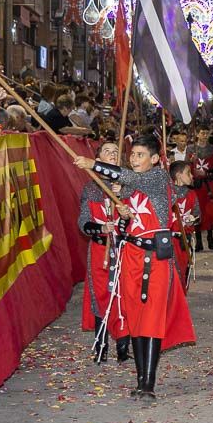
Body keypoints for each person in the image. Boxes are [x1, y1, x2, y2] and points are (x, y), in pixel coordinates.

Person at [75, 135, 197, 400]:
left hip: (155, 259)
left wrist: (92, 164)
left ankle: (148, 384)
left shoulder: (158, 178)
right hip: (131, 256)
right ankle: (140, 378)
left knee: (151, 318)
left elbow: (128, 177)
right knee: (136, 319)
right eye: (132, 154)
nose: (133, 159)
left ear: (154, 159)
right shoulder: (128, 190)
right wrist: (122, 217)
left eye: (140, 155)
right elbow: (125, 225)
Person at [78, 142, 129, 364]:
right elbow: (83, 223)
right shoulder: (90, 189)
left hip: (126, 249)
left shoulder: (128, 185)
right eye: (107, 151)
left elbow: (141, 218)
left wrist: (124, 202)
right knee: (101, 295)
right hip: (101, 250)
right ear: (97, 159)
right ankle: (101, 345)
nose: (112, 154)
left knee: (124, 294)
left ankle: (123, 346)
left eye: (116, 152)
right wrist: (101, 228)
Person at [169, 160, 200, 289]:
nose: (192, 176)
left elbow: (198, 215)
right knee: (171, 276)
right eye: (188, 173)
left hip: (185, 241)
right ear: (178, 175)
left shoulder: (191, 194)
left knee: (183, 274)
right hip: (170, 241)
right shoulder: (167, 194)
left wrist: (194, 219)